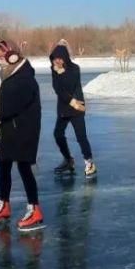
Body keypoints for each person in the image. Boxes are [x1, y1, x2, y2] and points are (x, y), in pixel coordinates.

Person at [0, 40, 44, 232]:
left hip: (24, 131)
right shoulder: (8, 75)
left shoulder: (24, 77)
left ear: (12, 56)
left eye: (1, 57)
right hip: (9, 129)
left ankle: (35, 210)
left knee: (24, 168)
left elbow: (14, 104)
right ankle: (4, 205)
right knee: (4, 166)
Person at [50, 41, 97, 178]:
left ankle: (89, 163)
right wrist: (57, 71)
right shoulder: (54, 69)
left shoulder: (74, 68)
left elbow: (69, 85)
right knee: (58, 134)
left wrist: (61, 72)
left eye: (60, 57)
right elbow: (58, 89)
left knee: (81, 136)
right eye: (55, 58)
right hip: (65, 107)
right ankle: (68, 160)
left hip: (77, 107)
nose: (57, 61)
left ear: (65, 57)